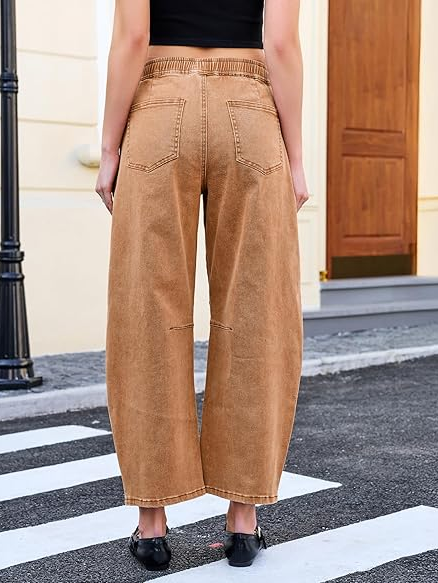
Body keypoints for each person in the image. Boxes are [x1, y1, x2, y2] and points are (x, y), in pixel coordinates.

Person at [95, 0, 309, 571]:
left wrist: (110, 147)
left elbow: (132, 38)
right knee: (257, 308)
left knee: (146, 309)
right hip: (251, 109)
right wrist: (295, 157)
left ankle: (152, 523)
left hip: (159, 106)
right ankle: (243, 520)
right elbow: (281, 45)